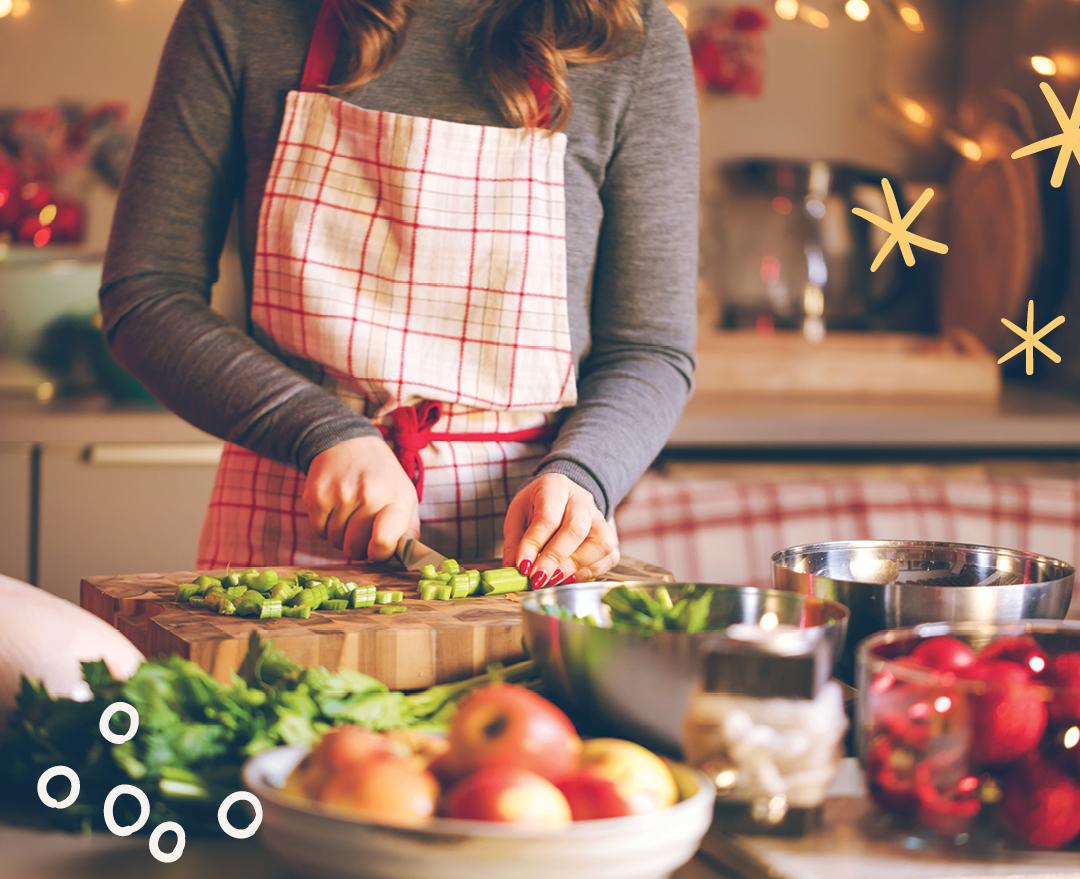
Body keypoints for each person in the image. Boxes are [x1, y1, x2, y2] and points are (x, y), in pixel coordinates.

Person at [101, 0, 697, 588]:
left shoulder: (632, 40)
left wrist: (583, 474)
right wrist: (320, 432)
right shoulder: (243, 15)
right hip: (288, 523)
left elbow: (648, 349)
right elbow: (146, 296)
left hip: (527, 548)